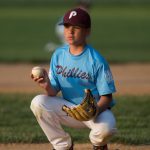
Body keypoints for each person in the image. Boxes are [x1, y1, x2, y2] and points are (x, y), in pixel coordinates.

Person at [30, 8, 117, 150]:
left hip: (94, 112)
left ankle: (99, 145)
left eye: (76, 28)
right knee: (38, 102)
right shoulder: (58, 55)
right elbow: (53, 93)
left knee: (107, 128)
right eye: (66, 26)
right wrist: (46, 85)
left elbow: (107, 97)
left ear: (87, 31)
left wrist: (94, 111)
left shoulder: (96, 60)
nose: (70, 32)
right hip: (68, 109)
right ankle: (63, 146)